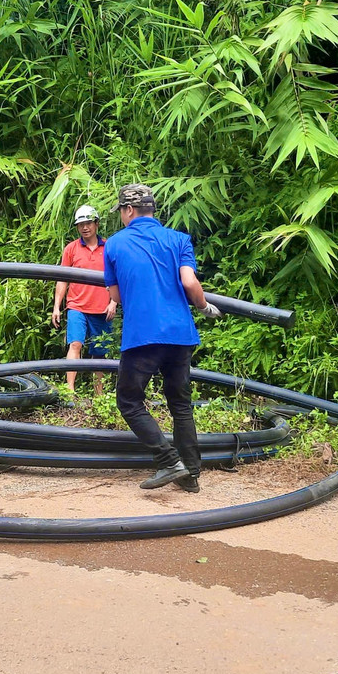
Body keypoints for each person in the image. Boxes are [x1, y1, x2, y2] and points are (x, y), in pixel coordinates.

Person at [102, 183, 221, 493]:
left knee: (128, 400)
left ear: (128, 211)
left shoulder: (114, 245)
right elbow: (189, 282)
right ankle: (191, 474)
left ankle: (169, 461)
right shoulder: (178, 239)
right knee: (180, 404)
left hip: (143, 334)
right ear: (152, 210)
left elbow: (115, 294)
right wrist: (205, 306)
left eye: (122, 212)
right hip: (180, 333)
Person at [50, 204, 117, 396]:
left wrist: (114, 302)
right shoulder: (71, 249)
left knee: (100, 352)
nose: (85, 227)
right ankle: (69, 390)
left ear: (96, 224)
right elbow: (62, 278)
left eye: (88, 223)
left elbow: (118, 277)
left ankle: (99, 394)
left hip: (102, 308)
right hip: (77, 305)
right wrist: (57, 306)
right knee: (75, 344)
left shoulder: (109, 247)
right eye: (81, 224)